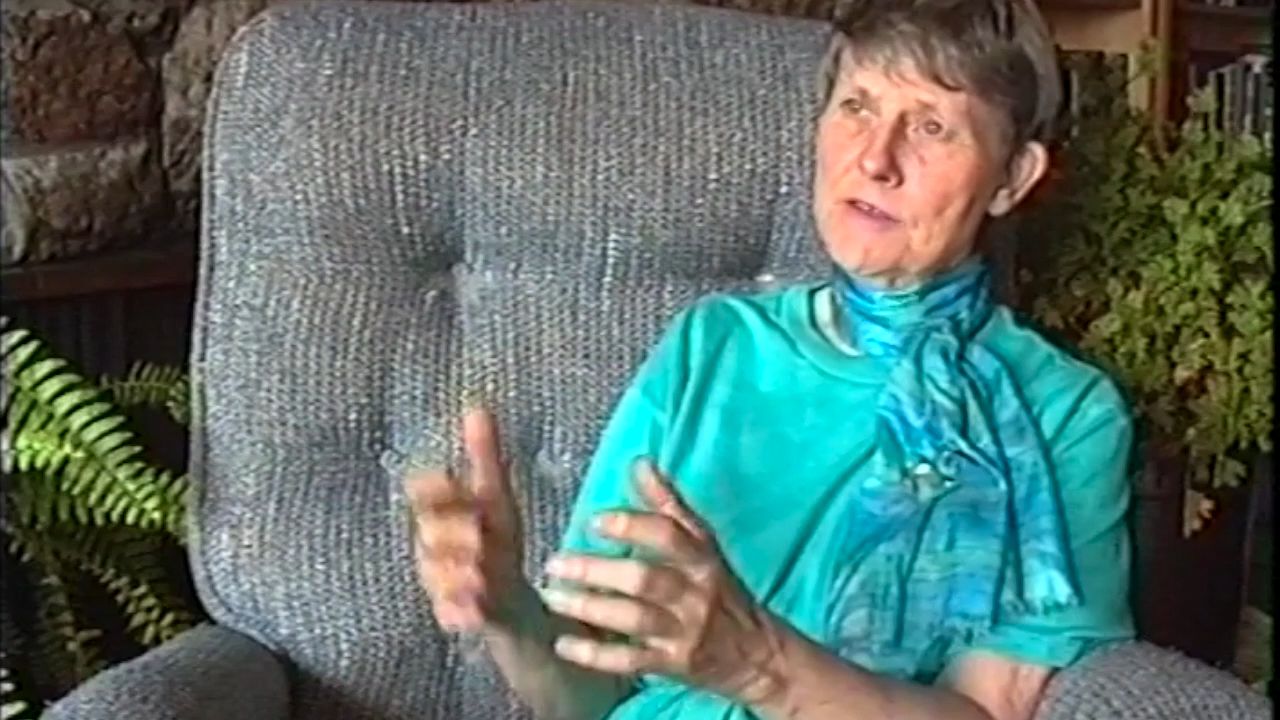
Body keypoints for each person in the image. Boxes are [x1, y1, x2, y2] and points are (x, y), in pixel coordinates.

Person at [405, 1, 1135, 718]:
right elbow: (588, 697)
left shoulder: (1065, 415)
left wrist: (759, 664)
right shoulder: (712, 346)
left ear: (1012, 178)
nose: (875, 158)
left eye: (932, 126)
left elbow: (988, 713)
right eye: (857, 106)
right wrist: (509, 611)